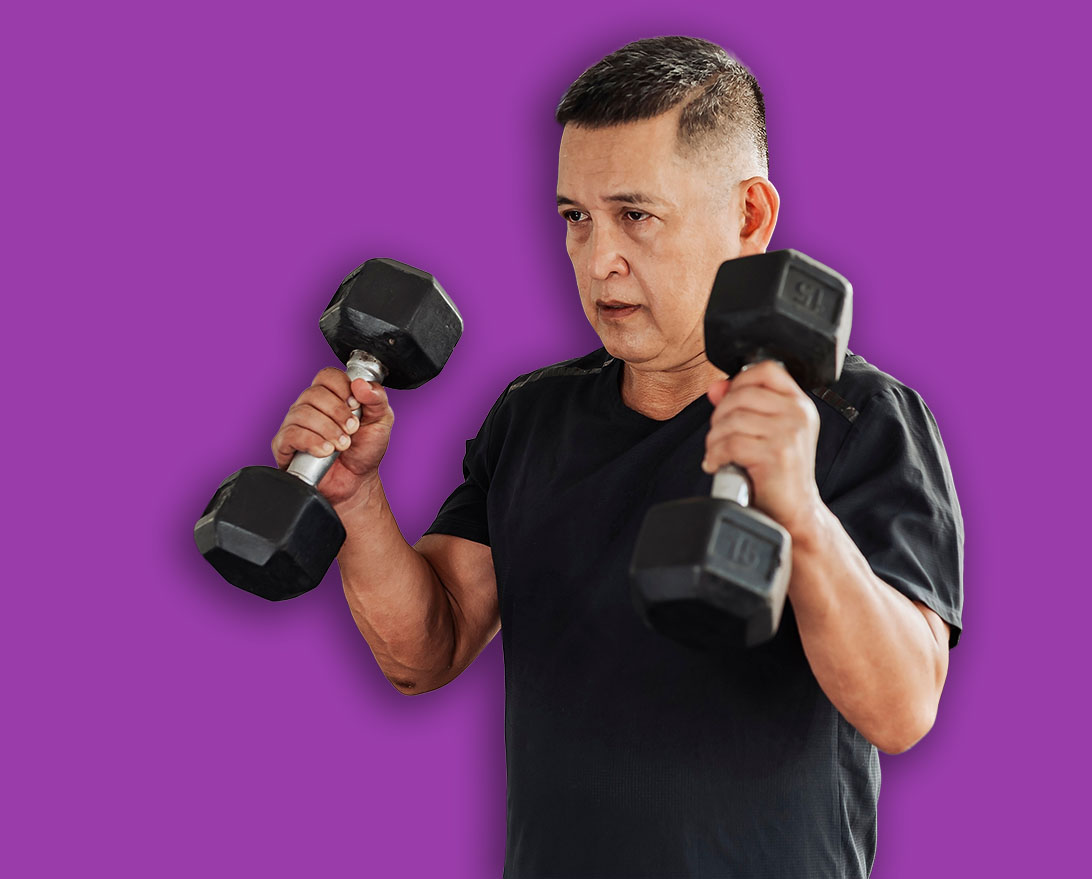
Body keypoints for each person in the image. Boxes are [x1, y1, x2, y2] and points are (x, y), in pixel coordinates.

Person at [270, 36, 964, 879]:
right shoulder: (532, 415)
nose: (599, 261)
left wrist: (803, 515)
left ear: (749, 215)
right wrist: (356, 497)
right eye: (576, 217)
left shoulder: (855, 416)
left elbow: (902, 707)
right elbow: (428, 650)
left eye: (636, 214)